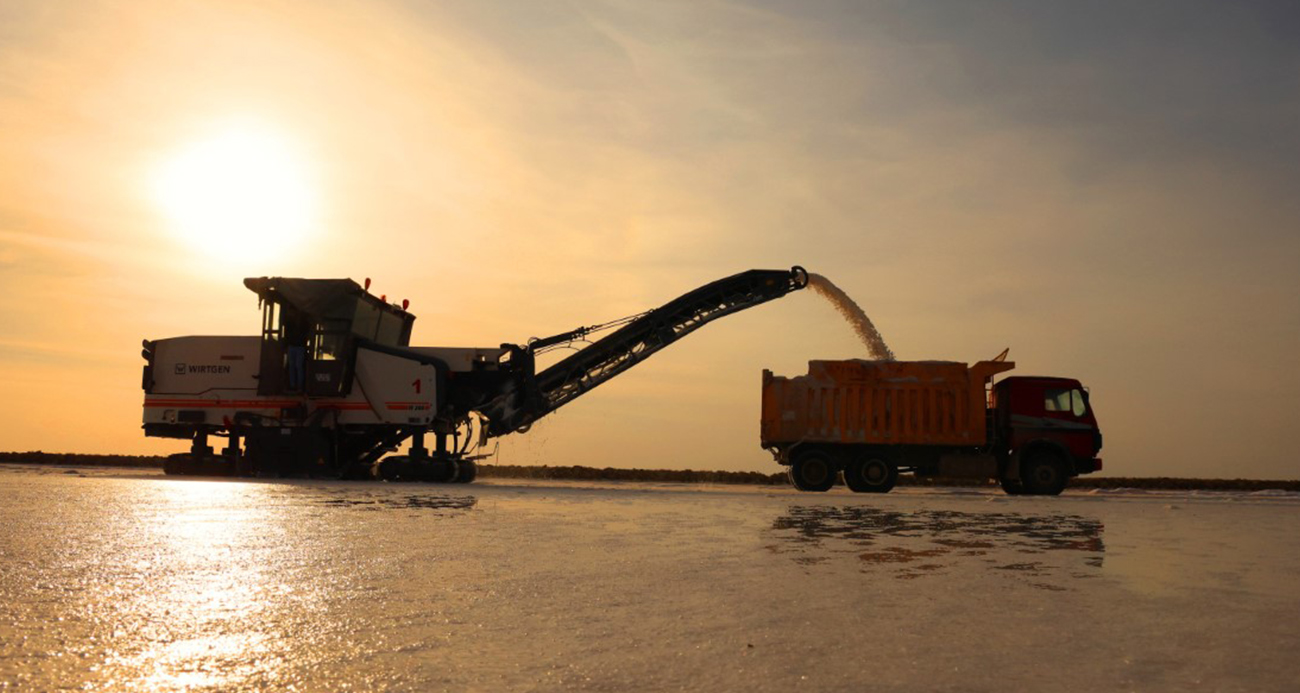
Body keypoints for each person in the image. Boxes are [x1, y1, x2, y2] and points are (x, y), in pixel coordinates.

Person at [284, 308, 308, 392]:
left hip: (298, 346)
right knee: (294, 366)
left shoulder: (302, 322)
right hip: (296, 346)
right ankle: (295, 386)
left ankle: (297, 386)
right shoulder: (294, 322)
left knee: (296, 366)